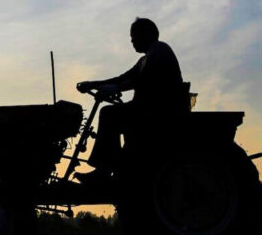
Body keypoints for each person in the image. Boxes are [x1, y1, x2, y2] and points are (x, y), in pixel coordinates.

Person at [74, 17, 184, 184]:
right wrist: (94, 84)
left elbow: (145, 79)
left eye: (134, 36)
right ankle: (115, 167)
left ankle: (104, 170)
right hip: (145, 109)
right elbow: (123, 78)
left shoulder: (159, 51)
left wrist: (116, 89)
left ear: (146, 33)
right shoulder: (145, 58)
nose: (132, 41)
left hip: (156, 111)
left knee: (109, 114)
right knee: (113, 113)